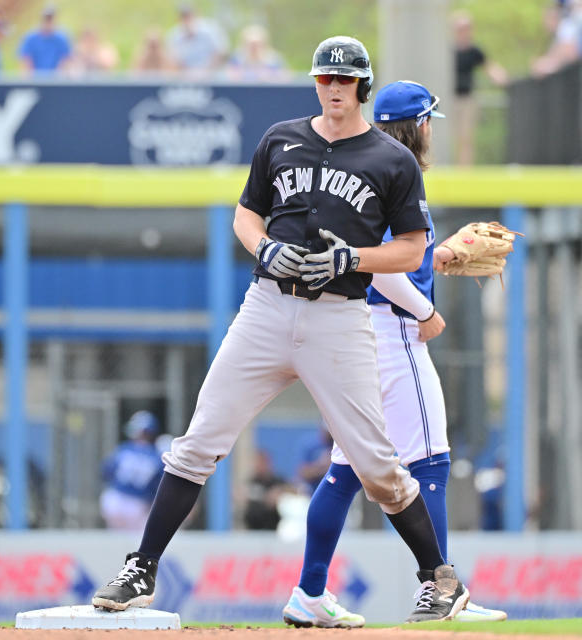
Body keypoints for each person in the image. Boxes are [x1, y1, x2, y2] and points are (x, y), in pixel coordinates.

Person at [90, 36, 468, 624]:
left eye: (345, 80)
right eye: (325, 79)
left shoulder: (390, 160)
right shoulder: (280, 139)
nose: (334, 88)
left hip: (339, 316)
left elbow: (412, 249)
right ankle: (142, 566)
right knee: (198, 441)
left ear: (362, 87)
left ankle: (439, 577)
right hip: (266, 307)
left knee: (375, 465)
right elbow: (246, 213)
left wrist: (352, 260)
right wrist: (264, 246)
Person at [280, 79, 507, 630]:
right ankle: (437, 588)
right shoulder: (398, 167)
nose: (432, 128)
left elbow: (388, 252)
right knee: (430, 458)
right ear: (422, 124)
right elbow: (382, 270)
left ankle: (310, 593)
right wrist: (426, 312)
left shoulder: (363, 162)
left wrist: (442, 253)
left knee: (346, 469)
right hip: (392, 333)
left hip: (351, 332)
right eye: (431, 119)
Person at [452, 10, 508, 165]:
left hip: (467, 98)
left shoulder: (474, 51)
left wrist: (503, 78)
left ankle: (464, 169)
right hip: (449, 98)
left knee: (466, 136)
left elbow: (489, 67)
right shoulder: (448, 51)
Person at [99, 411, 165, 531]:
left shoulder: (125, 449)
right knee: (140, 541)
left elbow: (106, 471)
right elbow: (160, 486)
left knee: (115, 537)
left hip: (114, 500)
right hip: (138, 505)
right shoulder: (157, 456)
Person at [165, 2, 228, 76]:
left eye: (189, 15)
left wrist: (205, 72)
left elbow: (222, 53)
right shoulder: (174, 35)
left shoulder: (211, 30)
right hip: (185, 79)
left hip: (213, 77)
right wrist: (189, 74)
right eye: (183, 16)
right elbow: (173, 60)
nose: (187, 19)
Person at [244, 450, 290, 530]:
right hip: (254, 529)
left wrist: (280, 493)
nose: (259, 465)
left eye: (262, 462)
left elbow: (295, 490)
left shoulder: (278, 481)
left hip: (275, 528)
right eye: (257, 462)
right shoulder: (251, 482)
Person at [19, 5, 71, 75]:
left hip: (56, 80)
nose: (48, 22)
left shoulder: (62, 39)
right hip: (35, 80)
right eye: (46, 19)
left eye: (51, 19)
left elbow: (65, 62)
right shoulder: (30, 38)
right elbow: (26, 63)